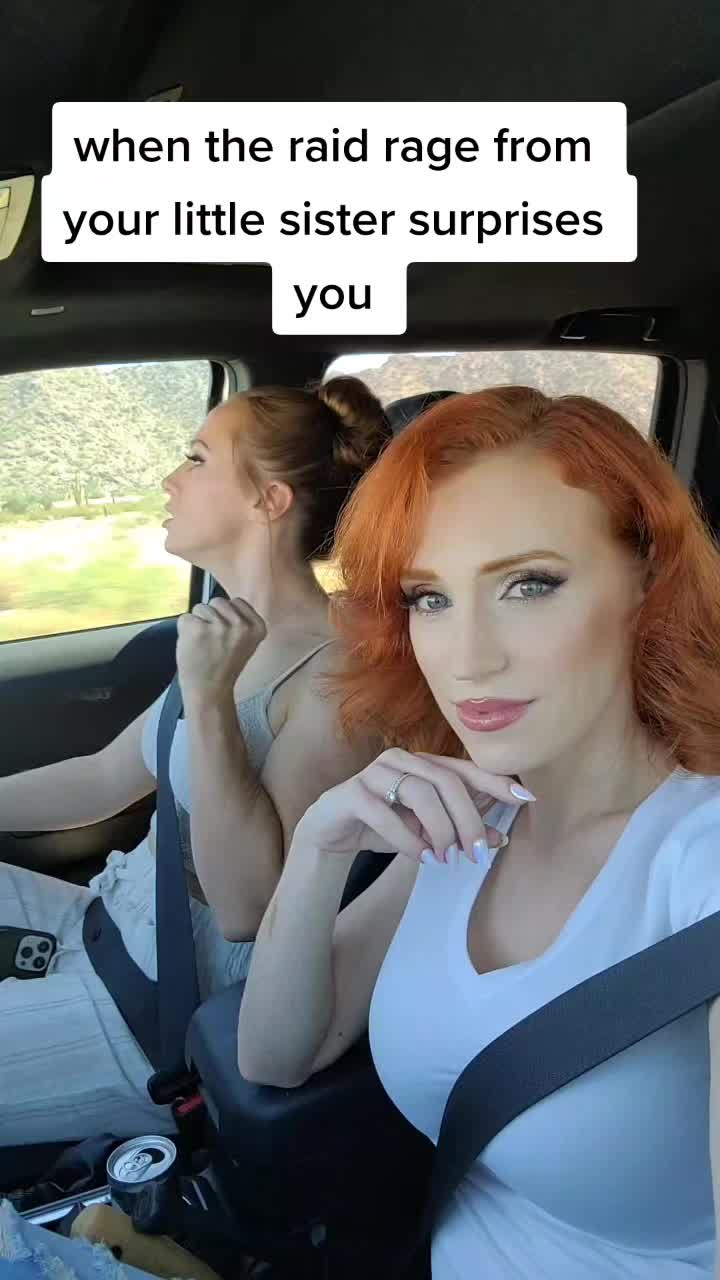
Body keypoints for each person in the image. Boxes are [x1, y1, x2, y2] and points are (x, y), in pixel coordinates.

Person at [238, 385, 720, 1278]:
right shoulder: (471, 813)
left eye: (529, 585)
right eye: (429, 598)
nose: (467, 658)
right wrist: (317, 848)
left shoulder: (701, 868)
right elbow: (275, 1055)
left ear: (648, 580)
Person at [0, 375, 388, 1148]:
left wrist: (209, 702)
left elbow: (246, 910)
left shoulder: (331, 683)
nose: (171, 479)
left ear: (268, 501)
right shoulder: (226, 631)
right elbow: (104, 778)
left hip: (155, 1010)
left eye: (198, 459)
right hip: (101, 922)